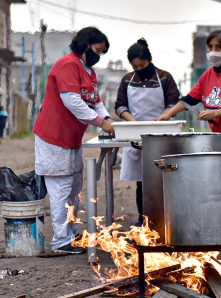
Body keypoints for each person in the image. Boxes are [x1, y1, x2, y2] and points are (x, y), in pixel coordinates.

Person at [155, 30, 221, 233]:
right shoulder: (208, 75)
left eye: (219, 48)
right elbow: (191, 98)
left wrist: (216, 114)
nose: (214, 52)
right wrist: (168, 114)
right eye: (211, 47)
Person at [33, 27, 115, 254]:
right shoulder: (67, 65)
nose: (99, 56)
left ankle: (70, 233)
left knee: (74, 189)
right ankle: (61, 240)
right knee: (61, 189)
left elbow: (95, 101)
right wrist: (101, 122)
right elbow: (73, 102)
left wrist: (107, 118)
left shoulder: (89, 71)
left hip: (71, 139)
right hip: (53, 137)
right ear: (85, 44)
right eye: (97, 50)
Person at [115, 38, 180, 227]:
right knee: (142, 181)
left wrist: (162, 118)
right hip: (136, 135)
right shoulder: (127, 79)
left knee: (162, 178)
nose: (139, 69)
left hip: (161, 133)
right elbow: (120, 106)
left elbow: (173, 103)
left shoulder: (165, 77)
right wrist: (133, 122)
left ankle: (163, 219)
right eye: (135, 67)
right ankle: (143, 219)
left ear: (149, 60)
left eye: (142, 65)